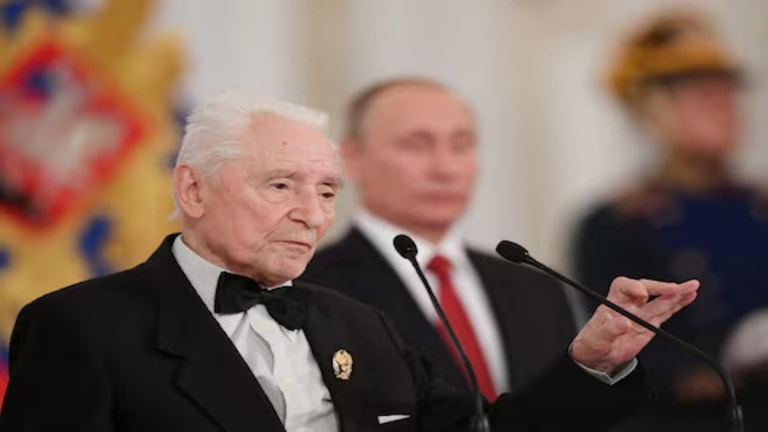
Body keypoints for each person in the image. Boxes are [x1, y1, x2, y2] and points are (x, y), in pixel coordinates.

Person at [1, 93, 698, 432]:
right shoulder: (81, 328)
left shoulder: (360, 325)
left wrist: (590, 362)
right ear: (193, 190)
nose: (312, 214)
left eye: (328, 191)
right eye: (281, 185)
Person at [302, 78, 579, 400]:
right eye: (416, 145)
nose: (445, 169)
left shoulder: (536, 288)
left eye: (461, 145)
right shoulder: (311, 287)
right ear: (351, 157)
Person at [571, 9, 768, 431]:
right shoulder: (616, 223)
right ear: (653, 113)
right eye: (702, 95)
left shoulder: (759, 204)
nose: (725, 107)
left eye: (728, 93)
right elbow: (623, 356)